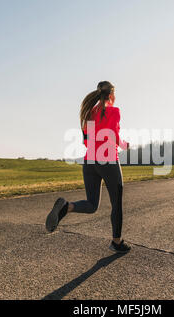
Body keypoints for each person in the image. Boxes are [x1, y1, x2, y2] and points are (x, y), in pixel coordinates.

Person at [45, 81, 131, 253]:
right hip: (108, 161)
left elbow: (85, 141)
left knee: (92, 205)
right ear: (111, 95)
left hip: (89, 162)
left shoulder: (89, 113)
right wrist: (123, 145)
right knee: (117, 205)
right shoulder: (114, 111)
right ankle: (116, 242)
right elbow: (113, 134)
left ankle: (66, 207)